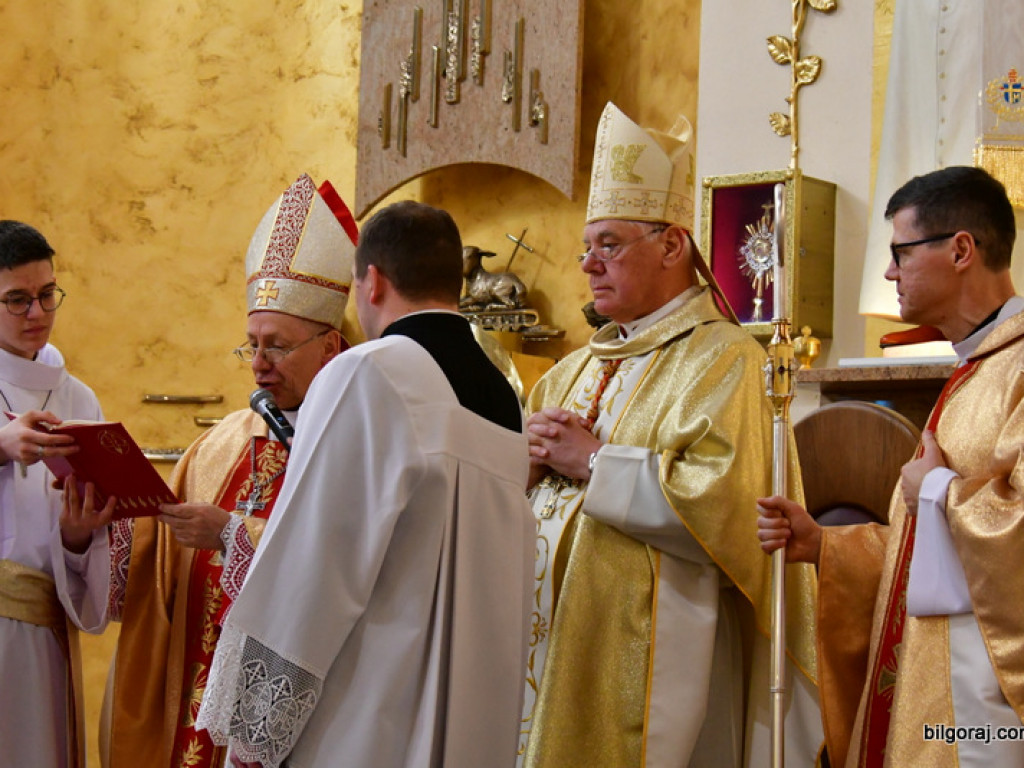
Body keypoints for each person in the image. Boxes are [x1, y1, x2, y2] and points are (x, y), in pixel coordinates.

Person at [518, 102, 822, 767]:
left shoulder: (725, 359)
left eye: (610, 244)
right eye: (586, 247)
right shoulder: (568, 371)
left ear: (672, 245)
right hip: (551, 647)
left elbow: (727, 511)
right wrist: (527, 469)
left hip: (657, 658)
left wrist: (593, 462)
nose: (589, 265)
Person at [195, 200, 534, 768]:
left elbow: (312, 566)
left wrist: (255, 734)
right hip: (468, 729)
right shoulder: (505, 397)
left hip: (364, 728)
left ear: (372, 281)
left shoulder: (368, 372)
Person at [758, 166, 1024, 767]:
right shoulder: (975, 368)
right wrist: (828, 547)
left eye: (901, 252)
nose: (888, 272)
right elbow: (926, 555)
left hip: (988, 717)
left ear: (961, 250)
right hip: (932, 701)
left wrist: (936, 490)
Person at [101, 173, 357, 768]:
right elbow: (152, 562)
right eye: (251, 345)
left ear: (331, 346)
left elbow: (343, 565)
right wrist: (103, 520)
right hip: (197, 705)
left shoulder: (353, 449)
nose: (259, 366)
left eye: (277, 346)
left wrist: (232, 534)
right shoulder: (220, 445)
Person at [0, 220, 112, 767]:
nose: (37, 314)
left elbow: (77, 541)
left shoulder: (78, 398)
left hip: (43, 635)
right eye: (17, 300)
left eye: (46, 295)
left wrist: (75, 536)